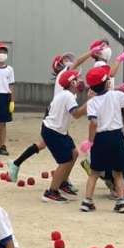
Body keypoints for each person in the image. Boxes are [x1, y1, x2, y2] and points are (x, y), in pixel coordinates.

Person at [7, 49, 92, 188]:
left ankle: (17, 164)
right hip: (55, 115)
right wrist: (91, 52)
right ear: (60, 65)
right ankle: (60, 180)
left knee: (45, 145)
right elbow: (77, 62)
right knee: (61, 151)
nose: (69, 61)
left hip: (57, 113)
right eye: (65, 60)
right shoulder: (64, 74)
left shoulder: (67, 81)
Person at [80, 65, 124, 214]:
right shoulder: (116, 95)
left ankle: (87, 201)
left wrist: (90, 141)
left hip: (100, 138)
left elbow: (93, 123)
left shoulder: (92, 102)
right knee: (118, 173)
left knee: (94, 173)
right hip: (116, 137)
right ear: (107, 83)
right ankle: (121, 202)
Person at [41, 70, 88, 203]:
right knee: (65, 161)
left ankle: (62, 182)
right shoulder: (68, 96)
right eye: (77, 79)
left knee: (74, 153)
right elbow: (76, 114)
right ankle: (51, 192)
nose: (80, 81)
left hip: (59, 131)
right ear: (72, 83)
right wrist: (91, 102)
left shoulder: (67, 94)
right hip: (53, 131)